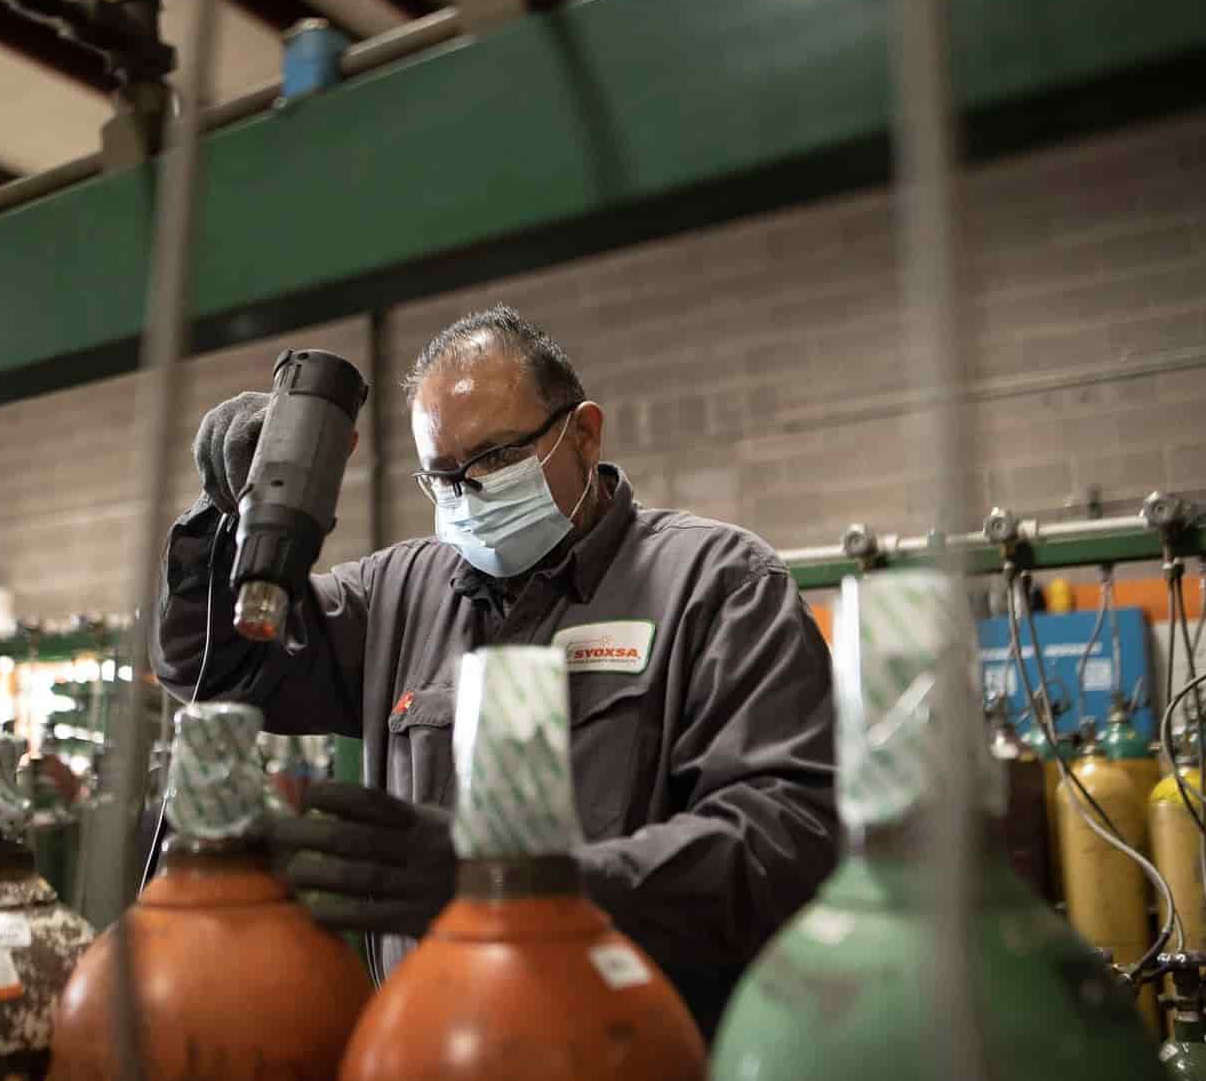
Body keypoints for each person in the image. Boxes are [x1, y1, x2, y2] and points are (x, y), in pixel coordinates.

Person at [153, 305, 837, 1033]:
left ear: (584, 434)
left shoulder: (717, 584)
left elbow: (785, 841)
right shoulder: (398, 595)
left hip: (629, 1059)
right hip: (428, 1057)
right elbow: (212, 665)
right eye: (443, 476)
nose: (470, 493)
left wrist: (520, 884)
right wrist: (224, 515)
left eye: (496, 459)